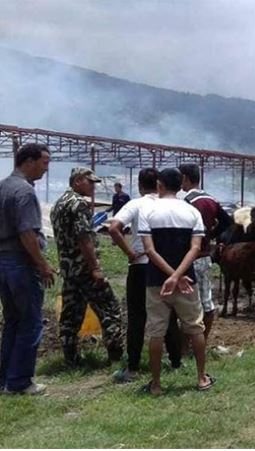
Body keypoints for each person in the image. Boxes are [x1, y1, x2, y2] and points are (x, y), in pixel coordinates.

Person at [138, 168, 214, 395]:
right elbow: (195, 248)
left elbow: (150, 251)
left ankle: (156, 384)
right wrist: (178, 276)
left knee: (156, 332)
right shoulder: (191, 212)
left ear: (159, 185)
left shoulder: (148, 211)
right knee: (195, 328)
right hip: (187, 282)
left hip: (156, 282)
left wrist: (170, 277)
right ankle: (201, 378)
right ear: (181, 184)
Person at [108, 169, 182, 382]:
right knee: (168, 314)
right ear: (159, 184)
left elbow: (114, 228)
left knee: (137, 317)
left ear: (140, 185)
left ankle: (132, 368)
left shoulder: (135, 204)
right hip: (163, 267)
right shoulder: (166, 205)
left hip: (140, 266)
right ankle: (176, 362)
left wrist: (130, 253)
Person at [51, 167, 124, 367]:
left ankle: (71, 360)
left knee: (70, 316)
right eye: (90, 182)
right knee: (110, 310)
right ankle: (116, 358)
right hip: (84, 268)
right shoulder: (78, 204)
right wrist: (95, 268)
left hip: (69, 270)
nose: (93, 186)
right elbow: (84, 238)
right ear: (77, 181)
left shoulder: (58, 204)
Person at [0, 143, 54, 395]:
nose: (46, 169)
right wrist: (42, 265)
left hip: (3, 261)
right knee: (31, 321)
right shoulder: (24, 191)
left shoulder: (4, 186)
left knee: (12, 320)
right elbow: (26, 233)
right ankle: (20, 381)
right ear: (29, 161)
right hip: (21, 262)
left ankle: (6, 379)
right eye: (44, 162)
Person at [178, 163, 223, 341]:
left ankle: (184, 346)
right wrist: (210, 234)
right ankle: (202, 341)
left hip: (188, 257)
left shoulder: (187, 202)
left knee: (185, 304)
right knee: (207, 302)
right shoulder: (211, 200)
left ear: (185, 179)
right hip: (204, 256)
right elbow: (226, 222)